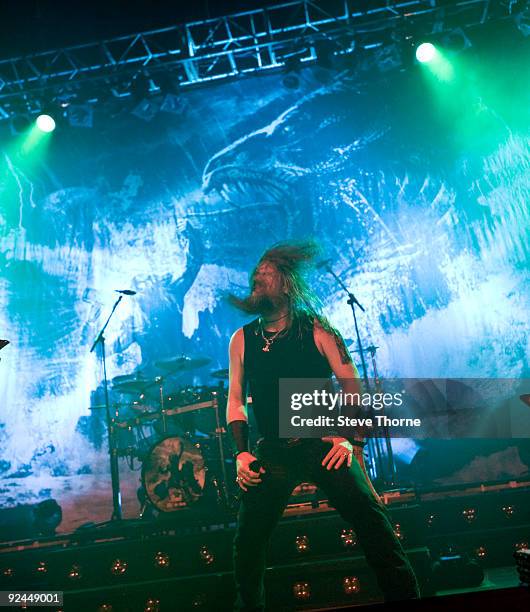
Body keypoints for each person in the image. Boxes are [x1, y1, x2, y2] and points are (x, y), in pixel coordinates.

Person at [226, 242, 420, 610]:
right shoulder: (241, 340)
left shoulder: (317, 329)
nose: (258, 279)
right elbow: (235, 400)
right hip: (273, 450)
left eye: (267, 275)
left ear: (286, 284)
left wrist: (350, 440)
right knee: (247, 545)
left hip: (324, 444)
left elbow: (352, 385)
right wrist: (241, 454)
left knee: (374, 525)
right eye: (256, 275)